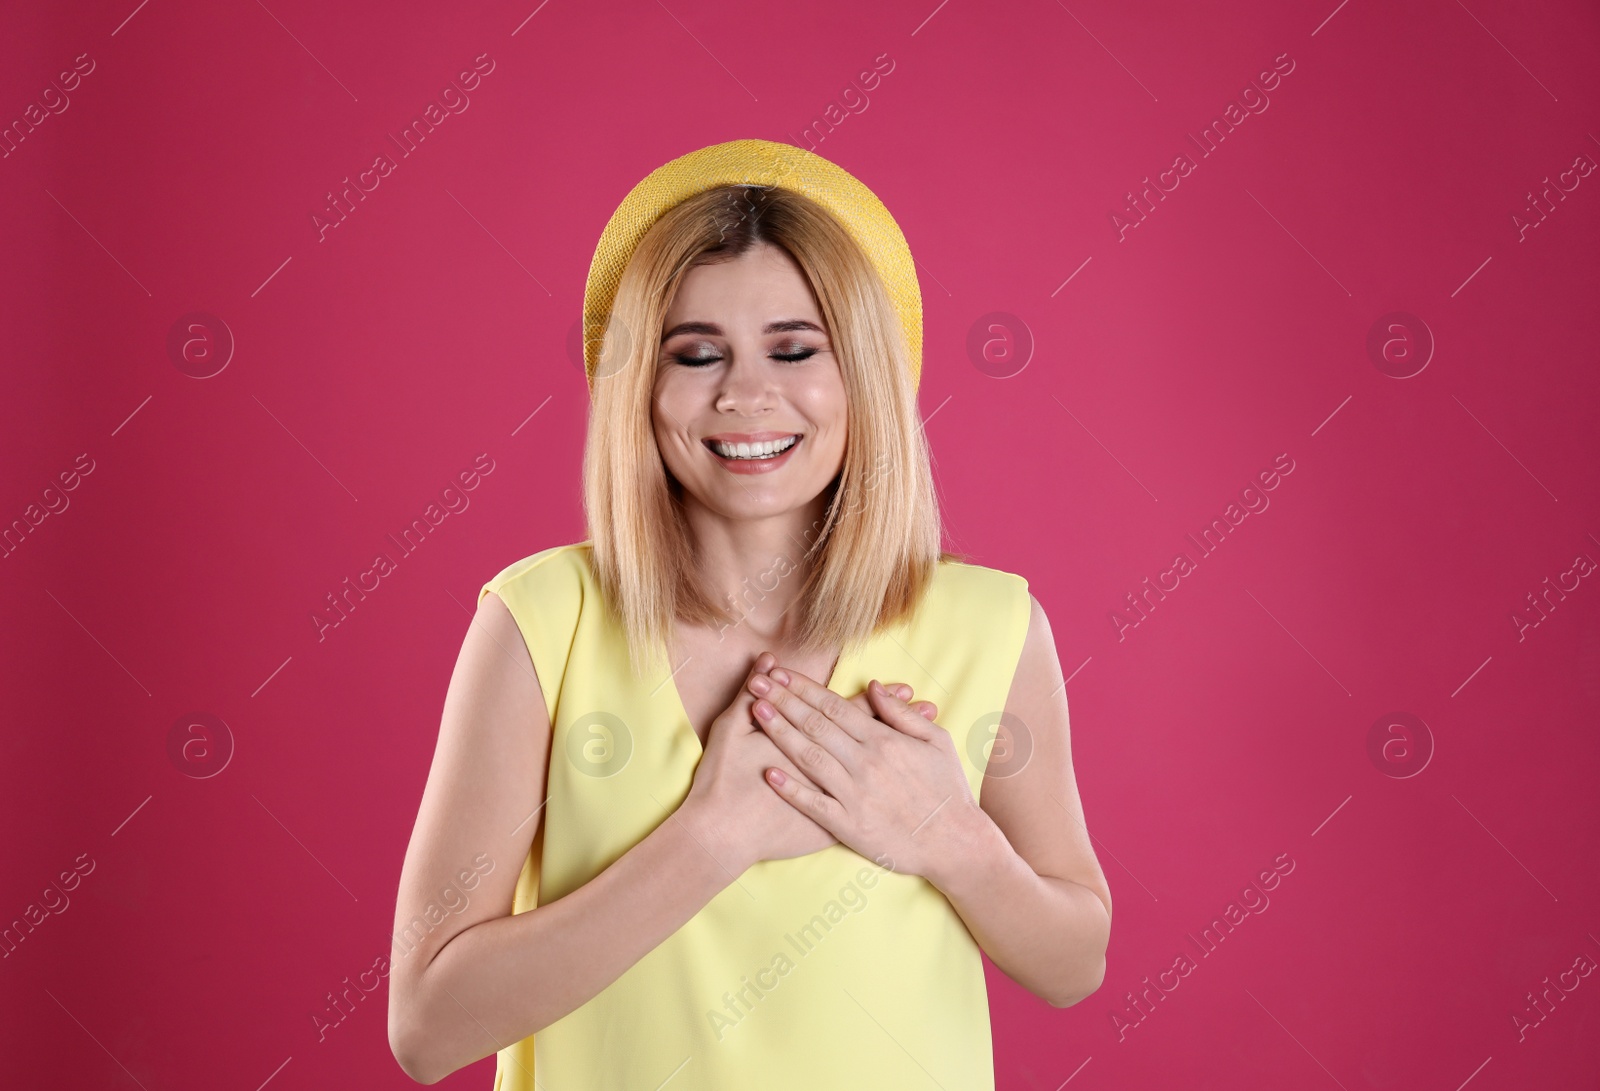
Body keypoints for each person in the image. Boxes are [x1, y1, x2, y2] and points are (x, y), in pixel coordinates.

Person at [387, 139, 1112, 1089]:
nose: (745, 394)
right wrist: (713, 839)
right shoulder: (540, 624)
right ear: (640, 388)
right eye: (696, 354)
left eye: (794, 347)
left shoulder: (992, 627)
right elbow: (429, 1027)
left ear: (861, 373)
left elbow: (1074, 966)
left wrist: (950, 836)